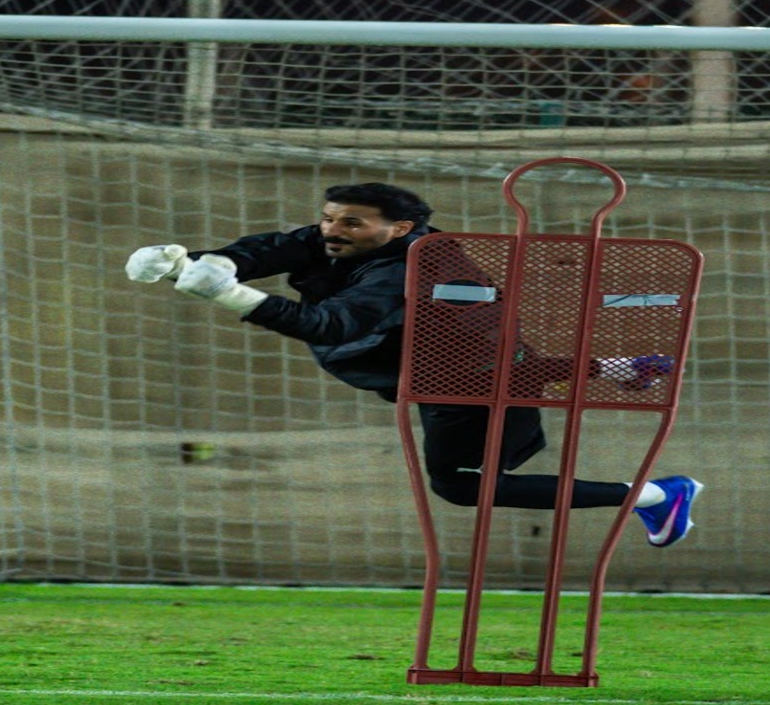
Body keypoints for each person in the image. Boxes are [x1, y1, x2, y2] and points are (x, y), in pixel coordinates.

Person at [125, 182, 702, 546]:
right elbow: (271, 249)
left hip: (471, 387)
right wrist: (189, 261)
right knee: (466, 471)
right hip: (446, 371)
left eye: (350, 222)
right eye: (329, 217)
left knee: (462, 485)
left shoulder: (410, 268)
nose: (332, 230)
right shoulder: (340, 239)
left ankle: (657, 496)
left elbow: (332, 325)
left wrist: (229, 296)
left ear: (399, 229)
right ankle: (623, 404)